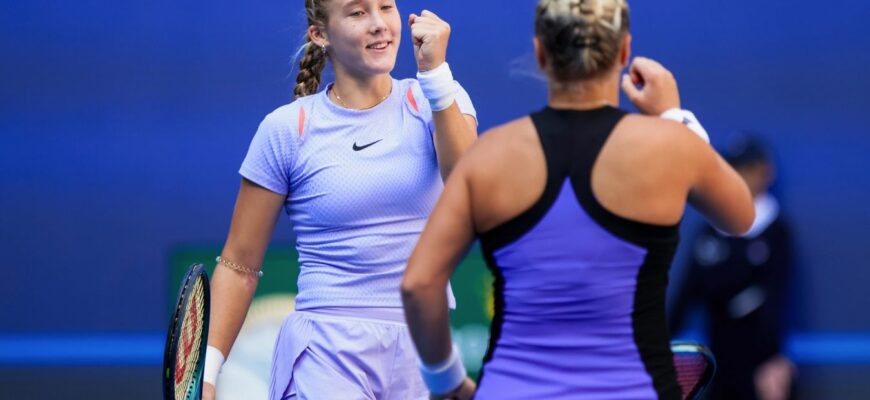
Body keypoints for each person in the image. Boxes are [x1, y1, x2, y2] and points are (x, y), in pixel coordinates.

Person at [400, 0, 755, 398]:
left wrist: (446, 380)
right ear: (624, 50)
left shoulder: (489, 156)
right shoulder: (673, 146)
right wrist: (674, 116)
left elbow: (419, 285)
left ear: (540, 52)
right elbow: (741, 217)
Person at [202, 0, 478, 398]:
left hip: (422, 351)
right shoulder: (286, 129)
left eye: (386, 7)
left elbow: (468, 186)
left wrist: (435, 74)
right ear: (320, 35)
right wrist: (208, 374)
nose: (379, 24)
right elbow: (238, 265)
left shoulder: (438, 97)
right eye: (357, 12)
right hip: (325, 354)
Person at [670, 134, 797, 400]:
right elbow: (688, 293)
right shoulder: (711, 229)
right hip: (718, 354)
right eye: (733, 169)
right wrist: (658, 344)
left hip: (759, 358)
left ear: (765, 172)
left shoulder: (776, 231)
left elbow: (778, 296)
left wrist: (773, 356)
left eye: (746, 169)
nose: (739, 177)